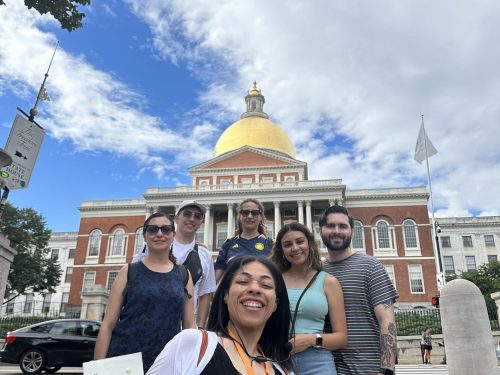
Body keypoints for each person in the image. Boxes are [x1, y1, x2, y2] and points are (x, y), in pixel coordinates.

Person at [147, 256, 295, 374]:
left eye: (266, 285)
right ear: (225, 295)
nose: (255, 289)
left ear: (275, 304)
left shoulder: (283, 371)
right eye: (243, 281)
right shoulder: (194, 344)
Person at [94, 212, 195, 373]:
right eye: (153, 229)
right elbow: (108, 325)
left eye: (166, 229)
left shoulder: (184, 275)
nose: (159, 234)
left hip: (166, 363)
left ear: (173, 235)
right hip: (125, 360)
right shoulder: (128, 271)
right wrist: (98, 368)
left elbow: (190, 327)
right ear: (145, 235)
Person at [319, 204, 399, 375]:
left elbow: (387, 320)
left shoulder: (370, 266)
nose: (337, 230)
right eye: (331, 225)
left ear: (352, 232)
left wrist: (386, 369)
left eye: (343, 226)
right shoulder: (317, 271)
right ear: (321, 231)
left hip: (367, 368)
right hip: (328, 367)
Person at [270, 222, 347, 375]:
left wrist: (312, 339)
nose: (295, 248)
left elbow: (342, 338)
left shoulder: (328, 282)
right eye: (287, 244)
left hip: (317, 361)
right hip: (277, 359)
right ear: (282, 250)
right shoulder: (274, 280)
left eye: (300, 241)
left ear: (310, 243)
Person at [133, 200, 217, 328]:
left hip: (184, 327)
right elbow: (132, 278)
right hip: (147, 321)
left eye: (197, 216)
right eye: (187, 214)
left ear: (201, 222)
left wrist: (200, 327)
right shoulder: (154, 246)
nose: (192, 219)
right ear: (177, 218)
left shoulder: (204, 254)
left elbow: (205, 294)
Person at [215, 198, 273, 282]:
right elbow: (214, 280)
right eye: (245, 213)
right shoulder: (228, 244)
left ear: (261, 217)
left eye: (254, 213)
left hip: (260, 292)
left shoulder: (270, 244)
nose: (250, 216)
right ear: (239, 217)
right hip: (233, 292)